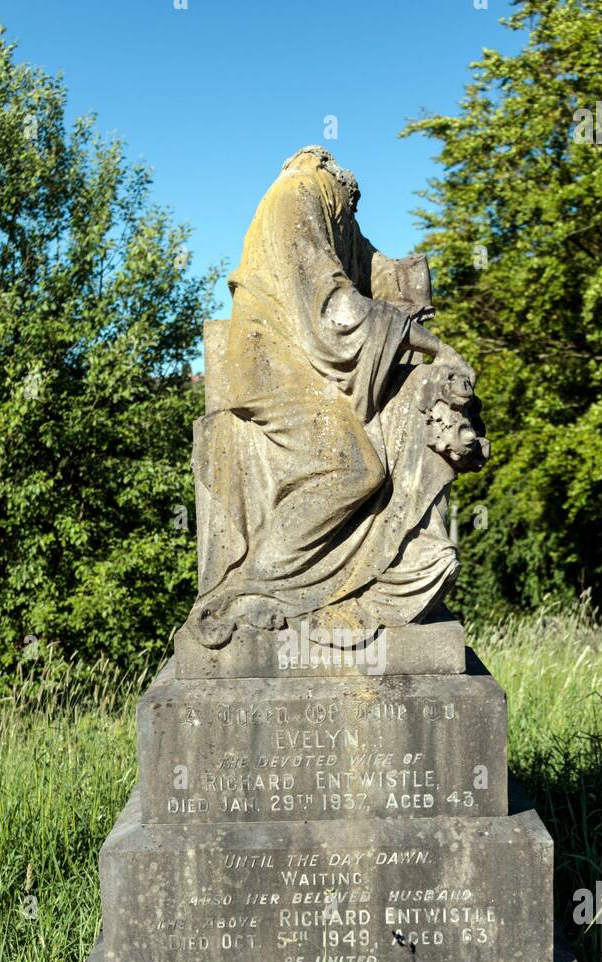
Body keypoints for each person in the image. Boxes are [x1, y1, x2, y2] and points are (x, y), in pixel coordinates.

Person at [188, 145, 488, 648]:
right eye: (352, 203)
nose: (353, 212)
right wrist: (436, 346)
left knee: (400, 418)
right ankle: (259, 586)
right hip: (271, 364)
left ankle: (391, 567)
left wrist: (408, 283)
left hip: (299, 359)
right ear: (335, 176)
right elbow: (337, 307)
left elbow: (370, 267)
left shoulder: (332, 208)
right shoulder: (302, 193)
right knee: (355, 468)